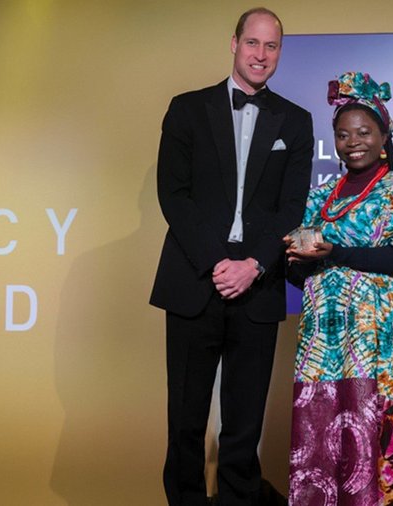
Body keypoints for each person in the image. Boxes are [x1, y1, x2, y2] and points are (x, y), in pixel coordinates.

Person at [149, 7, 314, 505]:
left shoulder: (297, 121)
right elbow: (172, 194)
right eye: (253, 43)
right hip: (195, 281)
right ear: (234, 44)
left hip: (257, 286)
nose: (261, 55)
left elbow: (293, 205)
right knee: (186, 419)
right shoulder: (186, 109)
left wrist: (254, 265)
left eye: (272, 46)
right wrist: (217, 263)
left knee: (244, 424)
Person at [284, 72, 393, 505]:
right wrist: (298, 262)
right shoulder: (318, 198)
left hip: (389, 358)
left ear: (384, 137)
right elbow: (298, 273)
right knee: (321, 462)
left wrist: (334, 253)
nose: (352, 141)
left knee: (380, 472)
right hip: (326, 353)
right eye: (343, 134)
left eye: (363, 132)